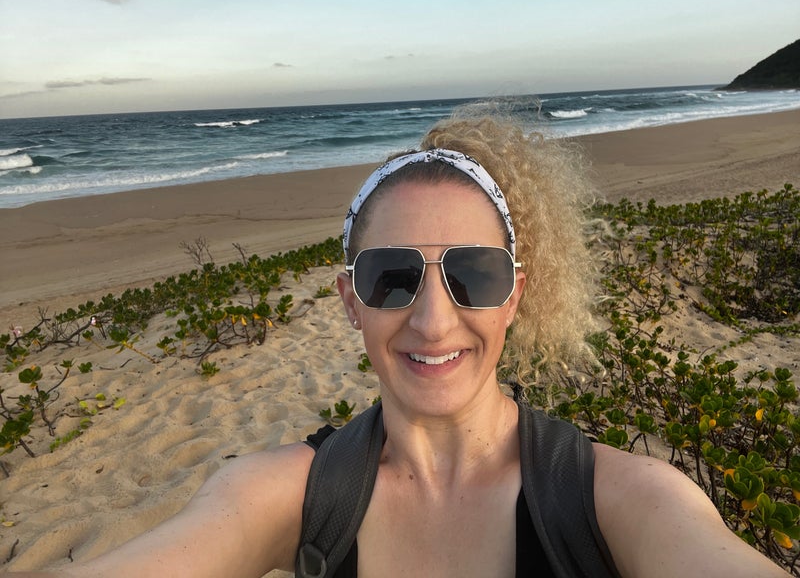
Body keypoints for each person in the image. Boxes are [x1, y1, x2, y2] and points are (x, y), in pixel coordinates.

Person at [10, 110, 790, 577]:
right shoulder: (289, 496)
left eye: (474, 275)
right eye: (392, 278)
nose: (433, 321)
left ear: (516, 294)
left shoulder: (623, 500)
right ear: (350, 299)